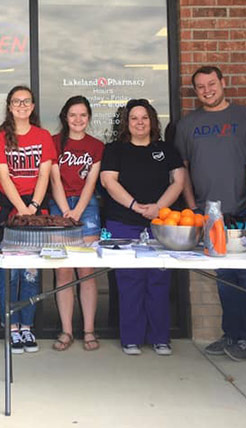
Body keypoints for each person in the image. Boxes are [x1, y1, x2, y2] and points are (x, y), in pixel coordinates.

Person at [174, 65, 246, 361]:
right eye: (200, 87)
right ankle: (231, 334)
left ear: (223, 83)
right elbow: (183, 169)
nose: (207, 90)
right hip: (209, 213)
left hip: (244, 210)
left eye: (211, 84)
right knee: (225, 276)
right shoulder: (189, 124)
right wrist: (192, 207)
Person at [100, 99, 185, 355]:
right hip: (123, 221)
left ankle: (160, 338)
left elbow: (179, 181)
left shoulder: (166, 149)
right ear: (127, 122)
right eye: (134, 118)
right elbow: (108, 181)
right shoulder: (115, 149)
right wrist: (136, 206)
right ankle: (131, 338)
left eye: (144, 118)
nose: (139, 123)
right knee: (129, 281)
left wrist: (158, 207)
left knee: (159, 279)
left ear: (152, 121)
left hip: (160, 223)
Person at [0, 85, 56, 354]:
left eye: (26, 101)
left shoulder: (43, 136)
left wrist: (34, 206)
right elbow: (3, 178)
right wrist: (22, 209)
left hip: (36, 214)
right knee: (11, 274)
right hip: (7, 215)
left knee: (31, 273)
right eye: (17, 101)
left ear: (33, 106)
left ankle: (27, 327)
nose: (22, 105)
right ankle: (11, 328)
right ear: (9, 106)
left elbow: (44, 175)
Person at [48, 95, 104, 351]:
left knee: (86, 271)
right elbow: (54, 180)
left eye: (83, 115)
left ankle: (89, 330)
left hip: (87, 206)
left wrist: (79, 210)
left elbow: (91, 183)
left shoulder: (96, 146)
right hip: (59, 206)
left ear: (89, 118)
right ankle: (67, 331)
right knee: (63, 271)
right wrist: (66, 211)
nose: (78, 119)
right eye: (73, 115)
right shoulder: (54, 142)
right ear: (65, 117)